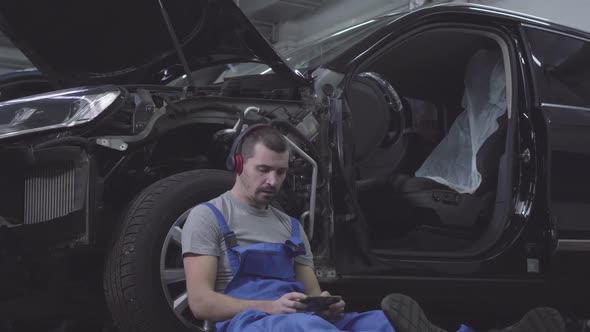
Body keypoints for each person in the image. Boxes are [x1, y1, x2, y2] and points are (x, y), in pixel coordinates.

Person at [181, 124, 565, 332]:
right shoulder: (210, 217)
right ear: (238, 165)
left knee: (382, 322)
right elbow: (201, 304)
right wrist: (270, 306)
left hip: (299, 315)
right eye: (263, 170)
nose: (273, 181)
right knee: (304, 326)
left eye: (280, 172)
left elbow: (312, 291)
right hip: (252, 322)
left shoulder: (289, 226)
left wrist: (329, 304)